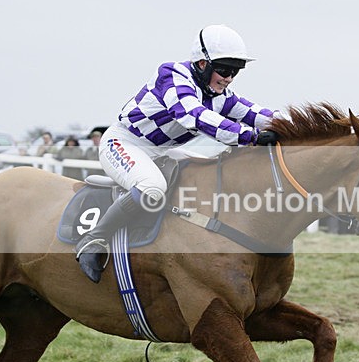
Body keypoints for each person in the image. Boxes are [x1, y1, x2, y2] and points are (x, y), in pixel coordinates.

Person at [74, 24, 278, 283]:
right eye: (224, 69)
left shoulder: (222, 95)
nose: (228, 78)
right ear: (203, 64)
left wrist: (299, 127)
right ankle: (94, 240)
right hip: (124, 143)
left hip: (162, 153)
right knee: (152, 188)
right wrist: (250, 136)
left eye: (235, 72)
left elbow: (261, 115)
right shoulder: (172, 74)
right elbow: (193, 116)